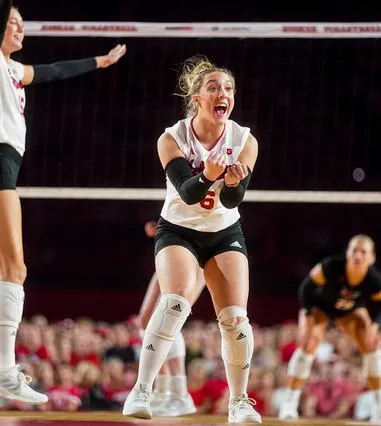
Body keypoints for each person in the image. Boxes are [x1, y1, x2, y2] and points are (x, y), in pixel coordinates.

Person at [0, 0, 126, 415]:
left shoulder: (13, 70)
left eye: (21, 24)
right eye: (12, 22)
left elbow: (52, 72)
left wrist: (99, 61)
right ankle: (6, 370)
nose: (19, 29)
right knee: (16, 270)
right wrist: (4, 7)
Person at [122, 55, 261, 423]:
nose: (223, 94)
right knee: (173, 303)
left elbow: (232, 199)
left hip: (224, 231)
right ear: (196, 97)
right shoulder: (172, 138)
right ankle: (142, 391)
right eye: (214, 88)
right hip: (179, 229)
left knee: (235, 319)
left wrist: (230, 182)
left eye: (228, 89)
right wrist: (209, 174)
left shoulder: (245, 140)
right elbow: (186, 190)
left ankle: (240, 402)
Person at [278, 235, 381, 424]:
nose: (358, 255)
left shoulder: (376, 280)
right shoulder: (331, 266)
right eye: (354, 250)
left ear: (372, 257)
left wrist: (374, 328)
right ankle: (289, 404)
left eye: (363, 251)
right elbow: (306, 289)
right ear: (347, 253)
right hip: (321, 307)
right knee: (309, 343)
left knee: (373, 345)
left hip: (351, 311)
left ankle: (380, 408)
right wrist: (307, 317)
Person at [137, 221, 205, 417]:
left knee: (171, 317)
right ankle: (163, 391)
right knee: (146, 320)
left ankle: (180, 393)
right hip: (173, 245)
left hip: (199, 250)